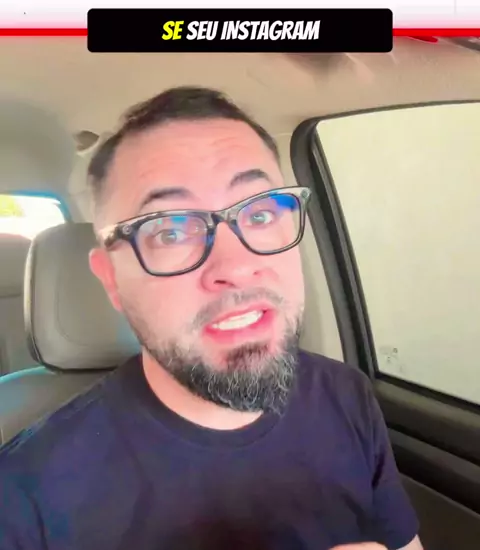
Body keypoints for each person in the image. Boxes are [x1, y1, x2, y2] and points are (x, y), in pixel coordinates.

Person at [0, 87, 423, 550]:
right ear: (111, 280)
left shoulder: (346, 396)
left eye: (260, 213)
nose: (236, 265)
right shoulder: (23, 498)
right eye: (170, 231)